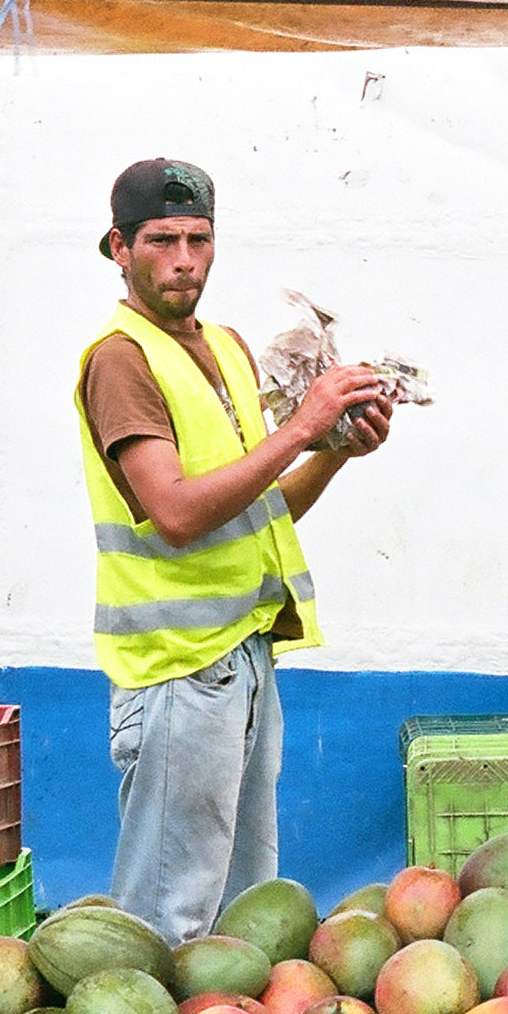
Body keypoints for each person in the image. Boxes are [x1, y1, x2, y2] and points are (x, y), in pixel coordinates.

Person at [73, 158, 393, 943]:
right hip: (177, 671)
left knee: (241, 914)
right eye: (161, 240)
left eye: (199, 239)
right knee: (165, 919)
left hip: (243, 660)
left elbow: (262, 507)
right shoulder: (120, 360)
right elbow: (177, 512)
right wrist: (301, 429)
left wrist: (335, 452)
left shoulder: (226, 347)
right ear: (119, 248)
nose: (184, 259)